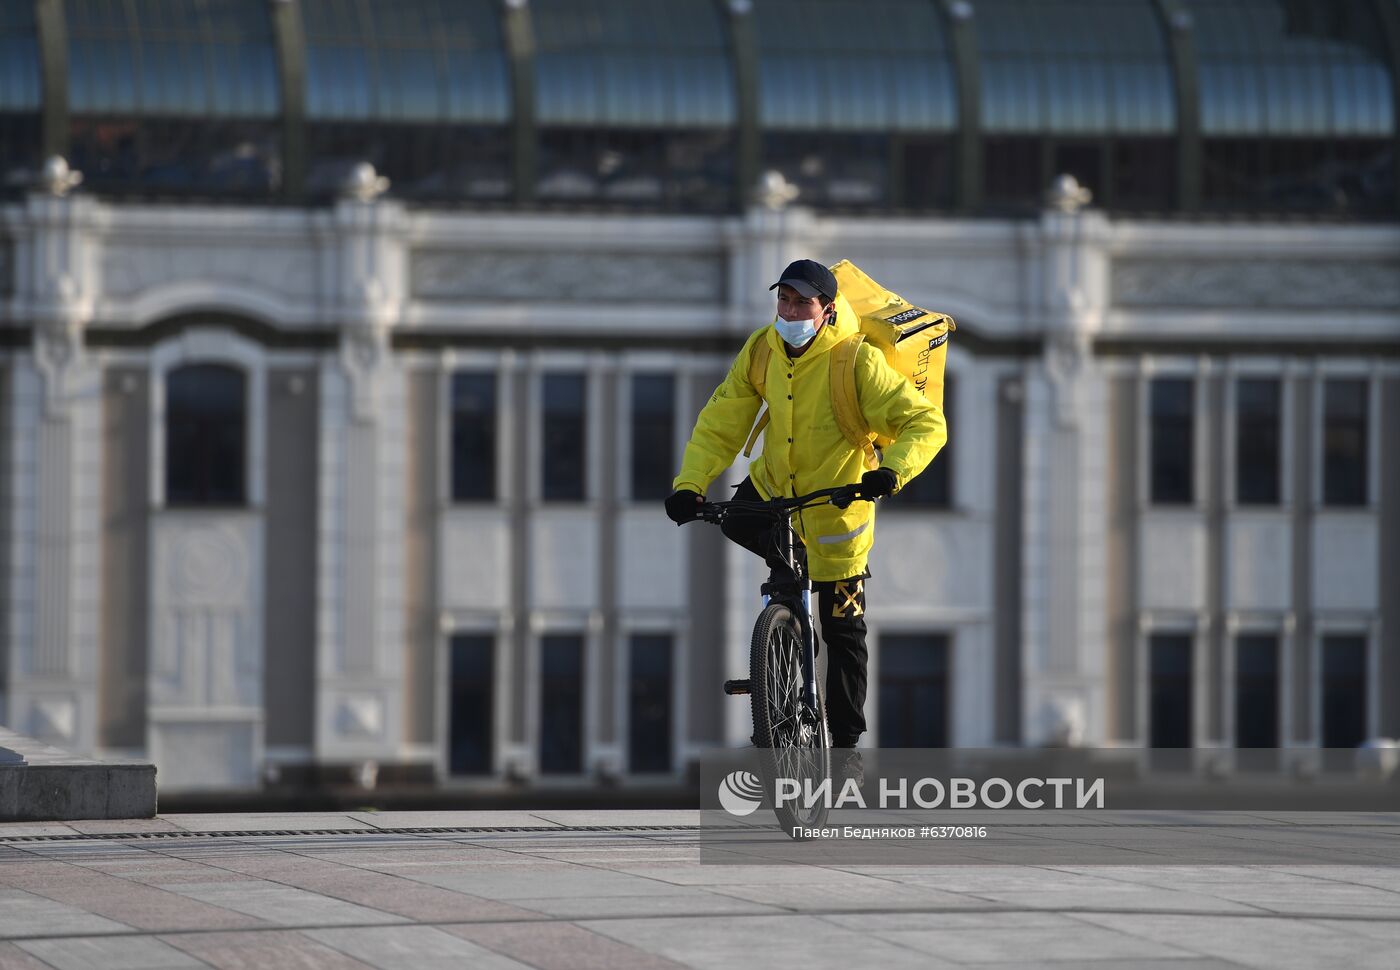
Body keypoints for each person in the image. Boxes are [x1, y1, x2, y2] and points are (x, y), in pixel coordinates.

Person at [664, 259, 947, 781]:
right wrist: (690, 485)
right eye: (784, 300)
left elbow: (925, 422)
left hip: (839, 507)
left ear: (827, 309)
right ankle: (787, 627)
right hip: (774, 490)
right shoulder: (762, 349)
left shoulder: (853, 360)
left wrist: (892, 472)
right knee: (734, 520)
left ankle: (845, 746)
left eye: (802, 303)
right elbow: (721, 420)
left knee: (843, 628)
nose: (790, 311)